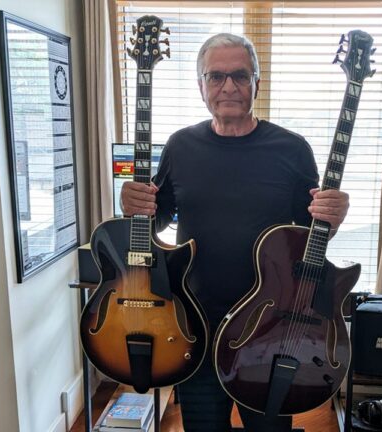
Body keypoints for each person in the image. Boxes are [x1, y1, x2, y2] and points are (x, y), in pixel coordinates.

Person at [120, 33, 350, 432]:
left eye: (240, 76)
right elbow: (155, 222)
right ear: (201, 85)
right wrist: (134, 206)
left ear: (256, 84)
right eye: (216, 76)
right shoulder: (180, 146)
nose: (229, 86)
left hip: (270, 328)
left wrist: (333, 216)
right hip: (196, 323)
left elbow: (311, 235)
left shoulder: (291, 149)